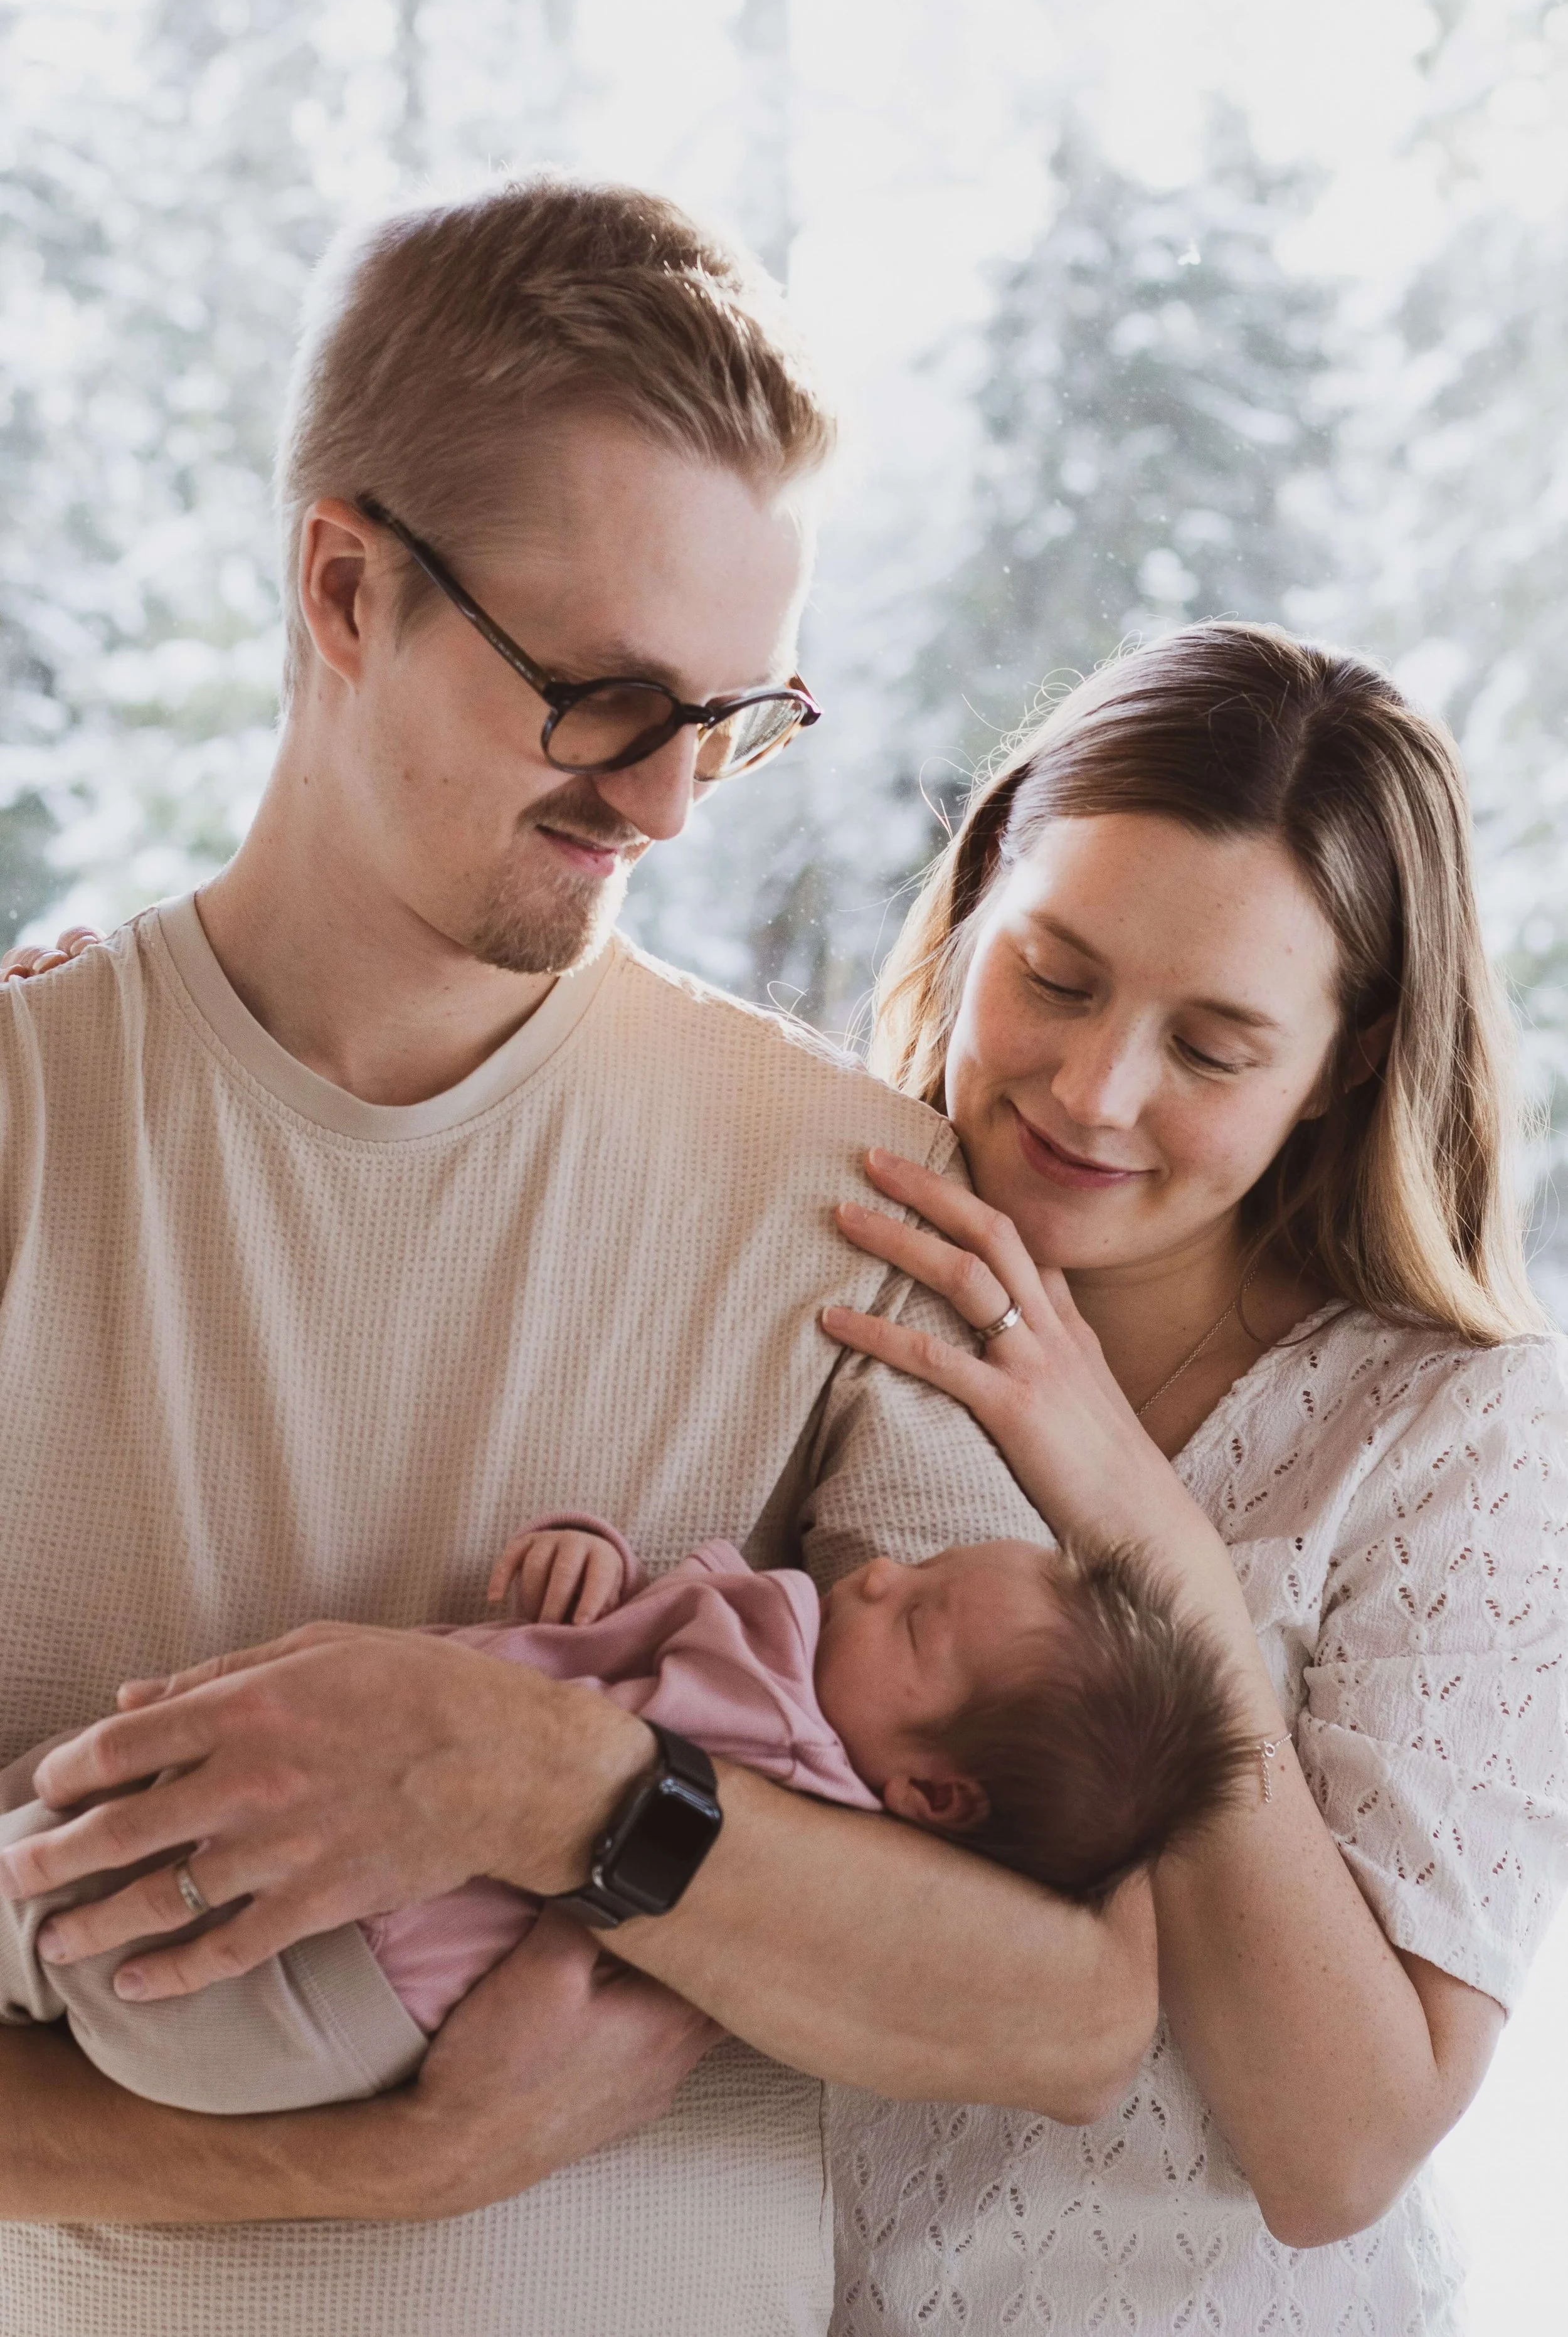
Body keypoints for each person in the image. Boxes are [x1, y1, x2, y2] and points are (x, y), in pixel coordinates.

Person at [0, 174, 1160, 2337]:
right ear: (344, 586)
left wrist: (538, 1775)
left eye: (734, 715)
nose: (669, 806)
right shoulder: (25, 1135)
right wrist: (399, 2164)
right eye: (603, 698)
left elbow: (1059, 2014)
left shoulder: (861, 1191)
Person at [814, 623, 1568, 2333]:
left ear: (1348, 1059)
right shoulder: (835, 1261)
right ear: (982, 887)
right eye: (1053, 976)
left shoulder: (1461, 1436)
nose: (1092, 1091)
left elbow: (1337, 2153)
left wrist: (1147, 1539)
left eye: (1214, 1046)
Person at [0, 1518, 1247, 2114]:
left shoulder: (784, 1746)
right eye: (918, 1569)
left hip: (318, 1968)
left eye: (915, 1616)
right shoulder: (805, 1805)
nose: (875, 1572)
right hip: (322, 2009)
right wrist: (594, 1561)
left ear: (933, 1795)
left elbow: (661, 1663)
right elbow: (612, 1649)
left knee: (67, 1874)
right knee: (67, 1820)